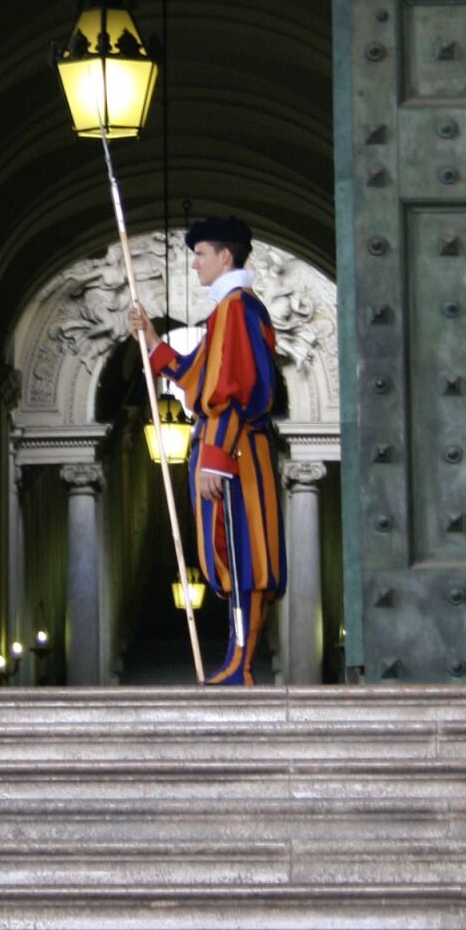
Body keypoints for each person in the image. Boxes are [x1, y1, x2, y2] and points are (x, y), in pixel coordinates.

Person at [129, 214, 286, 686]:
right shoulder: (227, 310)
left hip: (236, 454)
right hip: (231, 449)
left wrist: (213, 458)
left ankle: (242, 661)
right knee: (231, 556)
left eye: (201, 254)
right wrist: (152, 340)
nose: (194, 263)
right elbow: (200, 373)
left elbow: (232, 390)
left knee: (245, 557)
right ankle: (237, 658)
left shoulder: (237, 307)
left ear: (226, 255)